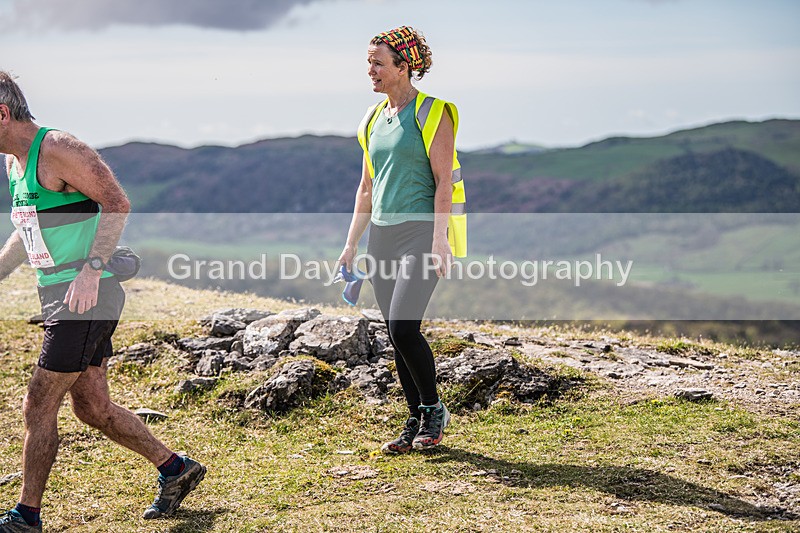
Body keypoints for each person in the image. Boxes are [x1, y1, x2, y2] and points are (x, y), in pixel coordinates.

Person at [0, 71, 206, 531]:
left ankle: (25, 517)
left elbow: (116, 203)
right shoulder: (15, 162)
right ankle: (176, 469)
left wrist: (92, 270)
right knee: (91, 407)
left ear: (2, 114)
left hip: (85, 294)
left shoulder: (57, 148)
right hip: (56, 291)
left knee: (37, 403)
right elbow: (27, 228)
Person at [338, 26, 466, 453]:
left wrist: (439, 240)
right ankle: (416, 419)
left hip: (420, 234)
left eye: (378, 63)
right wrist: (351, 245)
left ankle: (433, 409)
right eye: (369, 63)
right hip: (383, 238)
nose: (371, 71)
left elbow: (443, 182)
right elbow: (365, 188)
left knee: (403, 325)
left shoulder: (433, 112)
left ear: (404, 66)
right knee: (396, 335)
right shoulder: (373, 119)